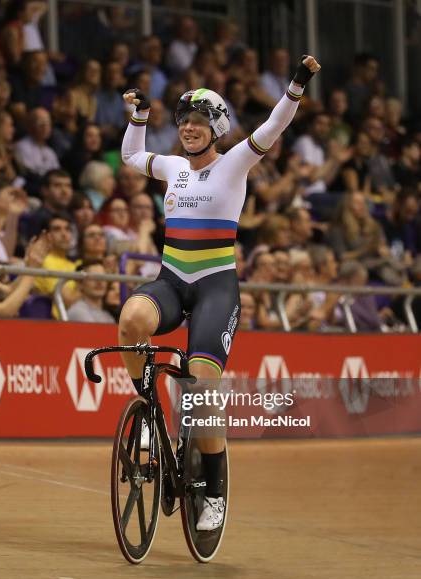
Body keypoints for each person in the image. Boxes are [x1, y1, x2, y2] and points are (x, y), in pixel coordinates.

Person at [118, 54, 321, 530]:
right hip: (172, 280)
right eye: (184, 121)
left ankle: (214, 488)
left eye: (199, 122)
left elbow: (274, 125)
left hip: (215, 286)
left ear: (217, 128)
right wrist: (139, 117)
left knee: (199, 384)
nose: (189, 128)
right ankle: (149, 410)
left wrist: (297, 83)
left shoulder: (235, 164)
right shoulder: (171, 168)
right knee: (131, 322)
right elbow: (130, 156)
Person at [67, 259, 115, 323]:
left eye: (103, 277)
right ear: (80, 284)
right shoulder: (77, 311)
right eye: (94, 277)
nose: (99, 282)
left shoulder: (107, 315)